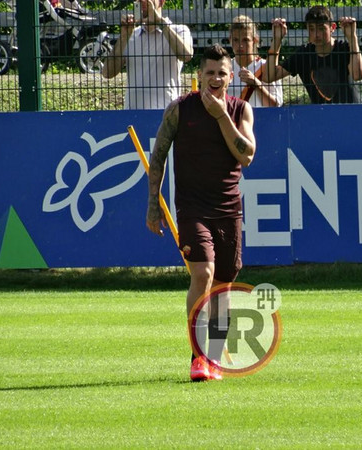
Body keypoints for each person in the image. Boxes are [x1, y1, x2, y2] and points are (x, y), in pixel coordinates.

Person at [146, 44, 256, 381]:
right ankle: (198, 357)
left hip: (229, 209)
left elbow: (247, 155)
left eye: (222, 73)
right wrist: (153, 203)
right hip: (192, 208)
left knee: (223, 286)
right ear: (199, 75)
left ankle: (214, 357)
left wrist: (221, 116)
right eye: (210, 72)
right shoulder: (180, 109)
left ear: (231, 76)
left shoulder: (240, 110)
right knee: (203, 274)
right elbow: (158, 156)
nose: (215, 78)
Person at [263, 5, 362, 104]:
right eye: (311, 29)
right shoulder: (303, 54)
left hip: (354, 111)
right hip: (321, 114)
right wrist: (277, 40)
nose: (316, 34)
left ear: (332, 27)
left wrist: (352, 38)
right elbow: (269, 77)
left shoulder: (344, 48)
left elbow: (358, 76)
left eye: (321, 28)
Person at [101, 0, 194, 110]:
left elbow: (187, 55)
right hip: (133, 113)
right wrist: (124, 36)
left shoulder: (179, 30)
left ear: (161, 2)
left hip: (166, 113)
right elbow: (107, 73)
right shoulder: (131, 34)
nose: (143, 1)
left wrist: (161, 22)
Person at [228, 15, 283, 107]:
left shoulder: (266, 66)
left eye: (245, 40)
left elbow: (275, 106)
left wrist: (256, 84)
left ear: (255, 40)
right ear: (230, 40)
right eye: (236, 40)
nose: (240, 45)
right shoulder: (225, 68)